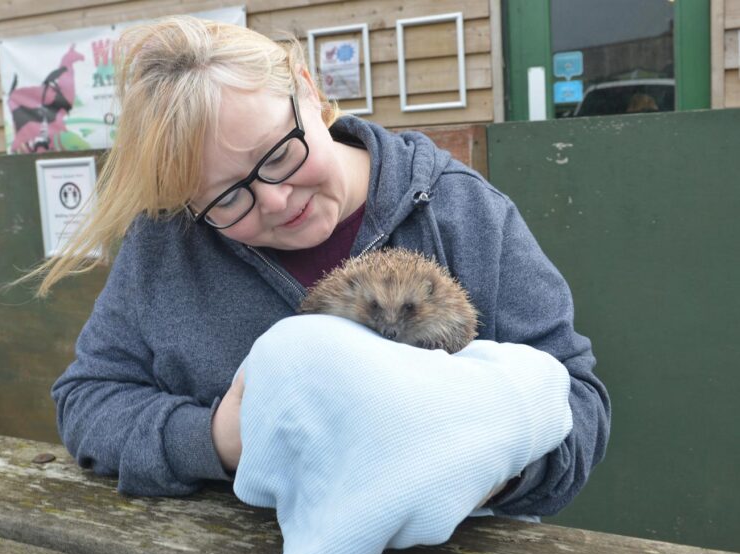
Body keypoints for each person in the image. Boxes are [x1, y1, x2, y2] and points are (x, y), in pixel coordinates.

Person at [33, 16, 610, 516]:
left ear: (308, 89)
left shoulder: (466, 214)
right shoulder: (165, 244)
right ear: (188, 201)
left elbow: (578, 406)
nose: (277, 202)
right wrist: (221, 438)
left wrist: (487, 465)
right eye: (227, 198)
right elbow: (88, 401)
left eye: (280, 154)